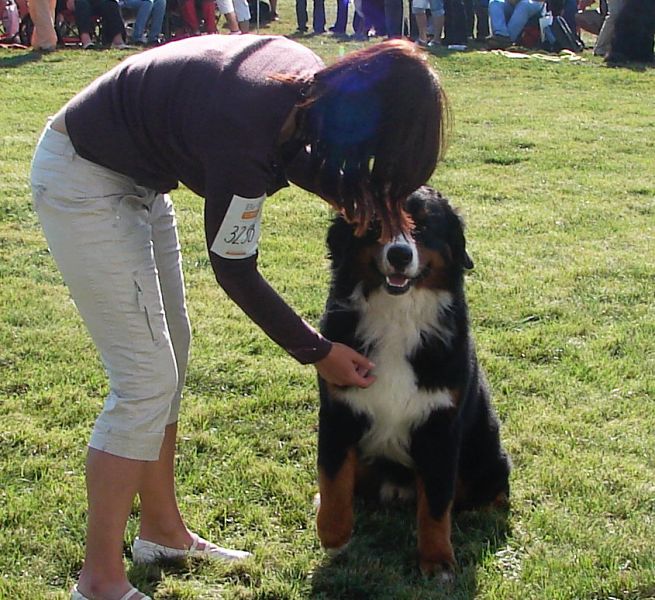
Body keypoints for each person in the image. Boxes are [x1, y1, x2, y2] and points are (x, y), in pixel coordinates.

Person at [30, 36, 448, 600]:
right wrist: (318, 352)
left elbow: (295, 153)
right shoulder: (247, 125)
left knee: (167, 363)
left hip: (140, 184)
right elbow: (234, 269)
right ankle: (100, 579)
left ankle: (162, 532)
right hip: (84, 180)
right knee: (144, 381)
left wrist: (352, 195)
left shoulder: (306, 86)